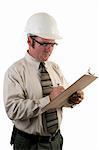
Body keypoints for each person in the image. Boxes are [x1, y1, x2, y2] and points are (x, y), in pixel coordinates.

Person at [3, 12, 84, 150]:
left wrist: (72, 99)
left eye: (53, 44)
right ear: (29, 40)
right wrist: (48, 100)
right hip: (30, 144)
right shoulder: (15, 71)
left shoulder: (54, 68)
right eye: (44, 43)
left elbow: (61, 97)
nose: (49, 49)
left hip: (56, 141)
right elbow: (13, 110)